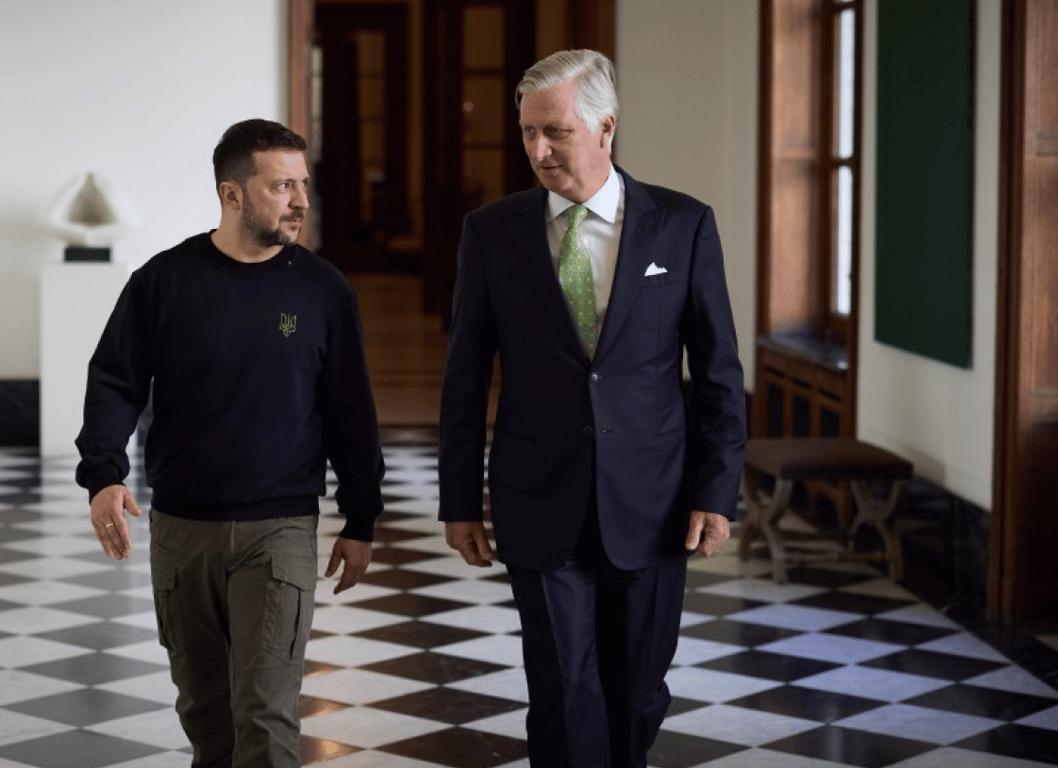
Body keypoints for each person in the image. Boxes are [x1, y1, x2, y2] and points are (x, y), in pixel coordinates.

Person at [438, 50, 746, 766]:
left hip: (653, 501)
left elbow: (720, 373)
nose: (538, 150)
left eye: (556, 131)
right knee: (562, 693)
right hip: (537, 497)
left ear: (606, 127)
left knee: (636, 693)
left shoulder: (682, 224)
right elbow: (463, 379)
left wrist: (716, 491)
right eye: (528, 132)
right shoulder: (491, 231)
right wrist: (459, 502)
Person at [75, 118, 385, 768]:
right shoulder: (163, 282)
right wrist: (104, 474)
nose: (301, 201)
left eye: (304, 185)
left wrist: (361, 517)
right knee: (206, 716)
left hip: (280, 527)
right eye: (282, 186)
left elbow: (351, 413)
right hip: (182, 529)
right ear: (232, 194)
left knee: (266, 716)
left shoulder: (323, 290)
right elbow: (113, 382)